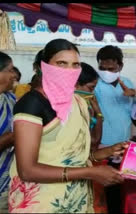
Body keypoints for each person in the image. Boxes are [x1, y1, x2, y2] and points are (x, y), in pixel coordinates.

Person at [8, 39, 126, 213]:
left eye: (75, 65)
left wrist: (107, 152)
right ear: (44, 66)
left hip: (75, 200)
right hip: (41, 203)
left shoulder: (77, 102)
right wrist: (90, 173)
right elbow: (27, 170)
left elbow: (76, 157)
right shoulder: (31, 104)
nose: (69, 71)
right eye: (61, 63)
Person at [94, 45, 136, 213]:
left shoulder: (128, 83)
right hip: (101, 149)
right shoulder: (94, 85)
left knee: (122, 191)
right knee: (104, 195)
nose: (106, 72)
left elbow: (135, 110)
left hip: (123, 147)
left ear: (120, 66)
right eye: (102, 68)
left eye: (111, 68)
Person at [75, 62, 128, 214]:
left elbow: (86, 153)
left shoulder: (83, 107)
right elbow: (93, 142)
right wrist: (98, 113)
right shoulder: (68, 114)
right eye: (91, 88)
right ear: (75, 85)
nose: (92, 94)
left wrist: (110, 150)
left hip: (83, 176)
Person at [0, 51, 16, 213]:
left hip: (9, 184)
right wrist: (13, 136)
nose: (14, 75)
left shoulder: (11, 99)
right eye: (10, 70)